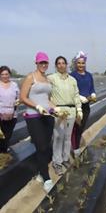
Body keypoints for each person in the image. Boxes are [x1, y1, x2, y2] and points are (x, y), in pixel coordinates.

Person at [20, 52, 55, 192]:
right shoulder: (31, 77)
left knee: (46, 145)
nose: (44, 65)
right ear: (36, 63)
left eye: (46, 62)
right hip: (34, 116)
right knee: (41, 146)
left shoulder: (47, 79)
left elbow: (48, 98)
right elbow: (23, 97)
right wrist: (37, 106)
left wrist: (56, 108)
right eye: (41, 62)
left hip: (47, 116)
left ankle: (41, 171)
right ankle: (46, 178)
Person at [48, 56, 82, 175]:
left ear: (66, 65)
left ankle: (65, 159)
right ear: (56, 66)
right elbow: (45, 93)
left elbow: (76, 95)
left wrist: (79, 109)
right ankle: (56, 162)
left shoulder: (72, 80)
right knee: (58, 137)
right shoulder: (51, 78)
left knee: (67, 137)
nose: (61, 65)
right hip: (59, 112)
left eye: (63, 63)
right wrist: (53, 108)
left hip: (71, 111)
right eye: (59, 63)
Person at [70, 51, 96, 157]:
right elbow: (71, 91)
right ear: (76, 63)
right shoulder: (72, 76)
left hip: (86, 106)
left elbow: (91, 88)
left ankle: (75, 144)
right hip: (76, 106)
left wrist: (93, 94)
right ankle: (75, 149)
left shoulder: (89, 75)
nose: (81, 65)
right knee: (76, 127)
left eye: (83, 63)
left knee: (81, 127)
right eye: (79, 63)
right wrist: (79, 97)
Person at [0, 66, 19, 153]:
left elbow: (18, 100)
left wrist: (13, 111)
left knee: (8, 135)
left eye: (6, 74)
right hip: (0, 115)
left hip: (12, 115)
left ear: (9, 74)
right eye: (2, 74)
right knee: (1, 135)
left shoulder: (14, 85)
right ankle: (2, 151)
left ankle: (4, 150)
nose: (4, 76)